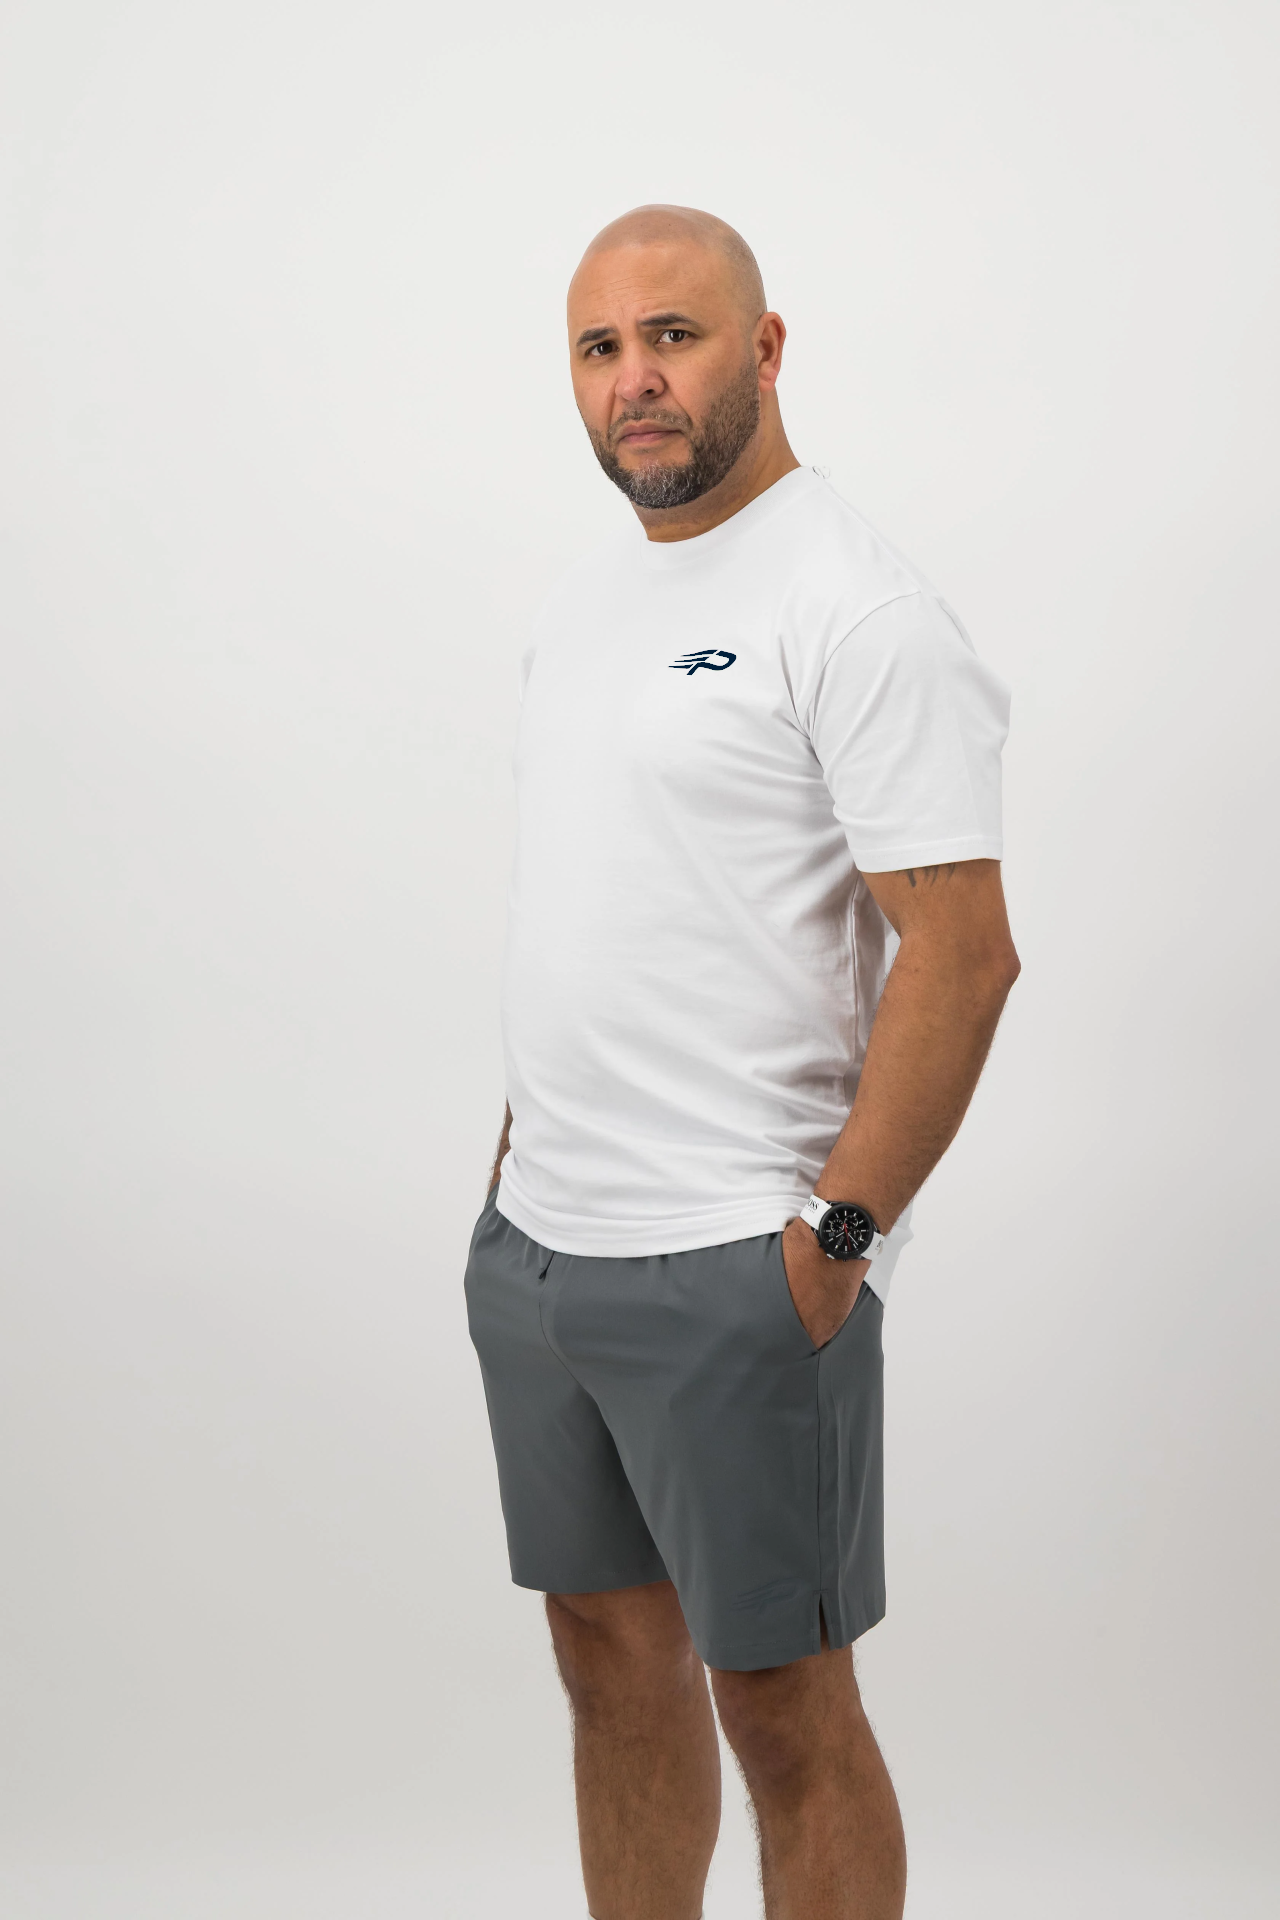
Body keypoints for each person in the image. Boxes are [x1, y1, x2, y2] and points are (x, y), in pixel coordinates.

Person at [464, 203, 1019, 1920]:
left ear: (764, 350)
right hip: (542, 1251)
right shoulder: (586, 601)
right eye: (600, 347)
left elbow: (964, 953)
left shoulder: (856, 606)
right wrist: (512, 1166)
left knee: (784, 1710)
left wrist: (838, 1238)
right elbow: (612, 902)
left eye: (674, 336)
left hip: (738, 1261)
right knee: (606, 1663)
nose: (636, 378)